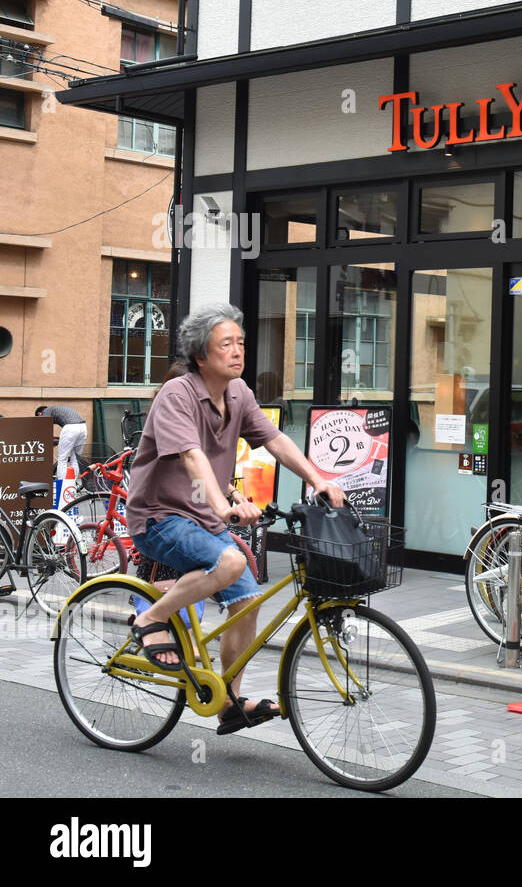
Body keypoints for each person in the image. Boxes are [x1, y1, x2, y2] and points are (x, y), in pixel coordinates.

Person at [126, 303, 345, 735]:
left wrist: (318, 480)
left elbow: (276, 440)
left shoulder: (239, 393)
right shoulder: (178, 395)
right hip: (159, 517)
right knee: (231, 563)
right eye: (225, 344)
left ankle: (227, 701)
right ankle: (150, 618)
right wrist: (224, 505)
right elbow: (192, 458)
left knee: (247, 601)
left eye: (240, 342)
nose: (237, 350)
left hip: (201, 520)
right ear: (201, 356)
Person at [36, 404, 87, 476]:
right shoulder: (57, 409)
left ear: (39, 414)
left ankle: (62, 484)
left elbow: (44, 424)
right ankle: (72, 483)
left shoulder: (45, 411)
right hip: (83, 427)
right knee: (75, 458)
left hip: (70, 427)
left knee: (62, 459)